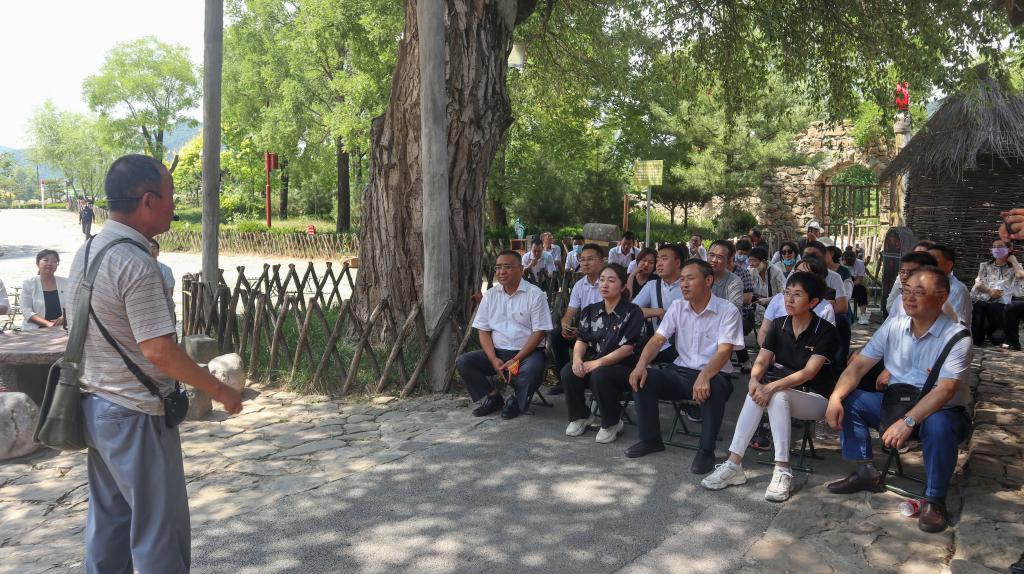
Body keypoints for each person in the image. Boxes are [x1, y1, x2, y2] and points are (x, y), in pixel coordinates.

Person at [68, 154, 242, 572]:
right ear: (148, 200)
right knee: (158, 534)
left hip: (97, 406)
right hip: (136, 414)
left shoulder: (88, 251)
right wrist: (220, 390)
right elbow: (159, 351)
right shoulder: (137, 263)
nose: (174, 203)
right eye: (170, 194)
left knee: (110, 525)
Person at [826, 266, 972, 533]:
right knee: (850, 399)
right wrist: (835, 397)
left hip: (942, 411)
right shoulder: (894, 326)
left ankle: (934, 499)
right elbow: (858, 366)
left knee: (939, 425)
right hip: (896, 404)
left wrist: (908, 421)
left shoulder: (957, 337)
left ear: (942, 297)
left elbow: (946, 390)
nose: (909, 298)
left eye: (919, 292)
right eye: (906, 291)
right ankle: (866, 471)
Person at [702, 272, 839, 501]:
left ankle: (783, 469)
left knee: (776, 394)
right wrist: (754, 381)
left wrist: (770, 387)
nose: (789, 299)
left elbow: (809, 372)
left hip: (816, 398)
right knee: (760, 392)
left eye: (797, 295)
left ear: (813, 302)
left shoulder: (825, 330)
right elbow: (762, 360)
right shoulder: (778, 324)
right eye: (787, 293)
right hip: (782, 391)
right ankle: (734, 464)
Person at [625, 259, 745, 474]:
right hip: (681, 372)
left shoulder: (727, 310)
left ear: (708, 280)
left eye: (690, 278)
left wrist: (705, 375)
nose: (684, 284)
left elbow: (725, 351)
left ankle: (706, 450)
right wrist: (641, 365)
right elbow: (658, 339)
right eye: (682, 279)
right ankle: (650, 439)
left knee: (713, 388)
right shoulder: (677, 307)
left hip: (715, 374)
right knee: (644, 378)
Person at [457, 250, 553, 419]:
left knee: (532, 370)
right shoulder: (490, 296)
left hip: (527, 353)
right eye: (498, 267)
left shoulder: (535, 294)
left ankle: (516, 400)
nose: (502, 272)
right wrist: (493, 358)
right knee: (464, 362)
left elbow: (539, 333)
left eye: (508, 267)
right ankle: (493, 397)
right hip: (498, 352)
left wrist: (516, 359)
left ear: (521, 269)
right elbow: (483, 331)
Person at [562, 264, 646, 443]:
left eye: (611, 280)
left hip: (625, 368)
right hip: (595, 364)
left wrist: (596, 363)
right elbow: (581, 340)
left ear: (623, 286)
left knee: (600, 374)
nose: (604, 284)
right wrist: (577, 359)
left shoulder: (633, 312)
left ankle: (612, 422)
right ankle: (581, 416)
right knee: (568, 371)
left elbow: (628, 348)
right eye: (602, 280)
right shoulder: (590, 311)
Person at [549, 243, 605, 394]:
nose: (585, 263)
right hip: (584, 336)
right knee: (557, 335)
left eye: (590, 259)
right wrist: (565, 325)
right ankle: (563, 380)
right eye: (582, 259)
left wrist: (581, 332)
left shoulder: (608, 283)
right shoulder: (580, 285)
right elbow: (569, 313)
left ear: (602, 262)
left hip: (605, 336)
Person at [758, 257, 836, 343]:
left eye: (805, 274)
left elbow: (827, 340)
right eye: (797, 272)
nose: (789, 300)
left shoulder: (825, 308)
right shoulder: (778, 300)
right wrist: (768, 349)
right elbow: (764, 331)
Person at [632, 244, 688, 364]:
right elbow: (631, 310)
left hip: (686, 348)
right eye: (657, 260)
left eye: (664, 259)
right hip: (659, 347)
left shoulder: (688, 286)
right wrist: (657, 312)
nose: (659, 264)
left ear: (677, 263)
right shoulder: (652, 286)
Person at [970, 239, 1016, 346]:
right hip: (984, 296)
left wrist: (1013, 261)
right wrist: (989, 291)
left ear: (1009, 249)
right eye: (994, 247)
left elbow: (1020, 278)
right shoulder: (985, 265)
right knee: (979, 305)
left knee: (995, 307)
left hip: (1003, 300)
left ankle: (996, 336)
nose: (996, 249)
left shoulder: (1015, 267)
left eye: (1000, 246)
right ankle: (977, 339)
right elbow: (978, 283)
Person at [21, 249, 69, 330]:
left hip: (63, 327)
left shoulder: (66, 282)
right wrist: (48, 324)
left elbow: (75, 304)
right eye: (46, 260)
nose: (50, 264)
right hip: (35, 329)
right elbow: (26, 310)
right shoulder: (29, 283)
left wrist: (64, 317)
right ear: (37, 263)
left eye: (54, 261)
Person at [928, 244, 972, 328]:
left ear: (948, 265)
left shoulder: (957, 289)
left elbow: (952, 324)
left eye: (933, 259)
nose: (927, 263)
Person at [825, 245, 853, 365]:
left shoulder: (843, 272)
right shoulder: (811, 271)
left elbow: (847, 295)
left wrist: (831, 303)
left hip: (839, 313)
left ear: (831, 253)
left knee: (840, 321)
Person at [844, 248, 869, 325]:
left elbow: (859, 280)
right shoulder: (839, 262)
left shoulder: (860, 264)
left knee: (862, 289)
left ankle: (863, 315)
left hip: (853, 284)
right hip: (840, 285)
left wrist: (849, 285)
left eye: (852, 262)